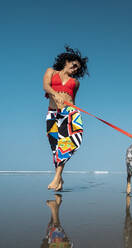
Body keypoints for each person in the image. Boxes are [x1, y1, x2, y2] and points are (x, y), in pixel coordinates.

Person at [43, 46, 88, 191]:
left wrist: (69, 109)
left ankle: (56, 178)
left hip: (69, 113)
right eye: (74, 65)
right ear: (67, 61)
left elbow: (72, 99)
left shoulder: (75, 83)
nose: (75, 69)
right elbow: (45, 86)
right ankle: (60, 179)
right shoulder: (51, 71)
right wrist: (55, 94)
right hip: (52, 113)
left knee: (65, 145)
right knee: (55, 148)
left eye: (77, 69)